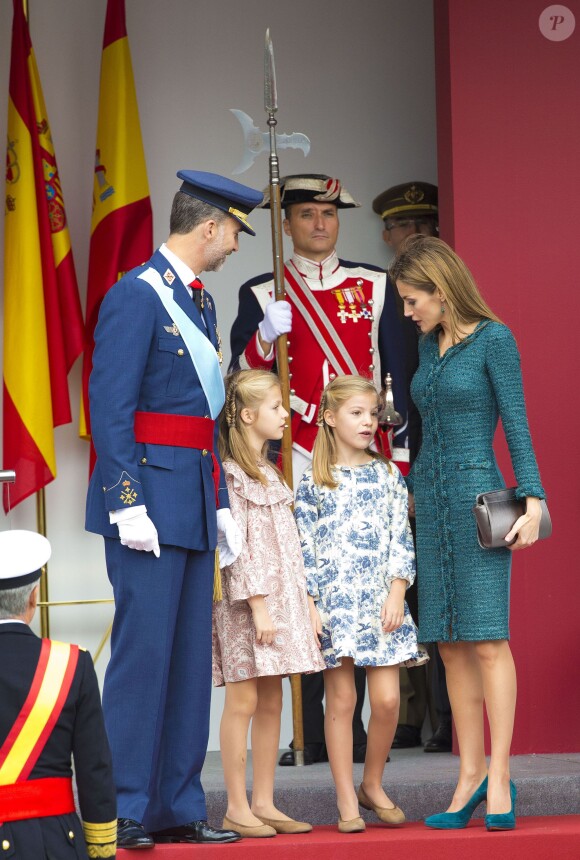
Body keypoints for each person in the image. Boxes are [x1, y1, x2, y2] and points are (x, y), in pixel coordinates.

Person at [85, 170, 263, 848]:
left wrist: (218, 501)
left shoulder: (202, 303)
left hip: (190, 496)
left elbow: (204, 421)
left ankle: (178, 804)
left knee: (191, 658)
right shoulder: (135, 296)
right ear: (210, 226)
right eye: (234, 234)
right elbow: (111, 410)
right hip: (147, 507)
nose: (235, 248)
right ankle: (123, 807)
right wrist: (125, 501)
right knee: (142, 656)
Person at [230, 173, 416, 766]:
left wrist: (402, 461)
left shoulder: (375, 283)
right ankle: (310, 733)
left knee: (365, 583)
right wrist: (264, 334)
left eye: (327, 215)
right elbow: (241, 379)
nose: (318, 224)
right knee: (305, 583)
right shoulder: (262, 291)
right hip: (297, 456)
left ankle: (362, 732)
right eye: (306, 214)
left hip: (365, 455)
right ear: (286, 223)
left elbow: (399, 380)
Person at [391, 235, 545, 831]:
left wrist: (533, 498)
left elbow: (518, 423)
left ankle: (500, 774)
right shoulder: (429, 347)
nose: (407, 313)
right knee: (447, 642)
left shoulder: (495, 339)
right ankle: (469, 774)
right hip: (428, 502)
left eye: (412, 301)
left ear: (441, 289)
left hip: (479, 498)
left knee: (486, 639)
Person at [294, 375, 428, 833]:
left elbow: (400, 536)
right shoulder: (313, 480)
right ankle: (346, 797)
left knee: (387, 700)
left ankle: (372, 782)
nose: (369, 422)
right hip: (334, 605)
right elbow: (303, 547)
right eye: (356, 413)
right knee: (342, 700)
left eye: (372, 414)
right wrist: (310, 602)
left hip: (380, 605)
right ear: (330, 418)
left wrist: (397, 590)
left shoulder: (388, 474)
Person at [212, 369, 326, 838]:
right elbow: (235, 548)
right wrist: (258, 604)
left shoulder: (271, 472)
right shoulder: (231, 476)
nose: (286, 414)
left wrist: (306, 601)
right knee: (243, 698)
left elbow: (286, 546)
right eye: (277, 407)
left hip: (281, 601)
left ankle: (265, 801)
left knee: (274, 698)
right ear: (246, 414)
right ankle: (236, 805)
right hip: (248, 604)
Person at [372, 181, 452, 754]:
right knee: (395, 587)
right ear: (388, 236)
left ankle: (439, 717)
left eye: (427, 225)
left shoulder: (443, 305)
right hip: (394, 458)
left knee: (433, 594)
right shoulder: (387, 298)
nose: (418, 235)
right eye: (408, 228)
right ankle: (412, 712)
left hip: (432, 462)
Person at [0, 530, 117, 859]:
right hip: (53, 842)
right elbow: (94, 770)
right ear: (33, 599)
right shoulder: (70, 665)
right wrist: (102, 850)